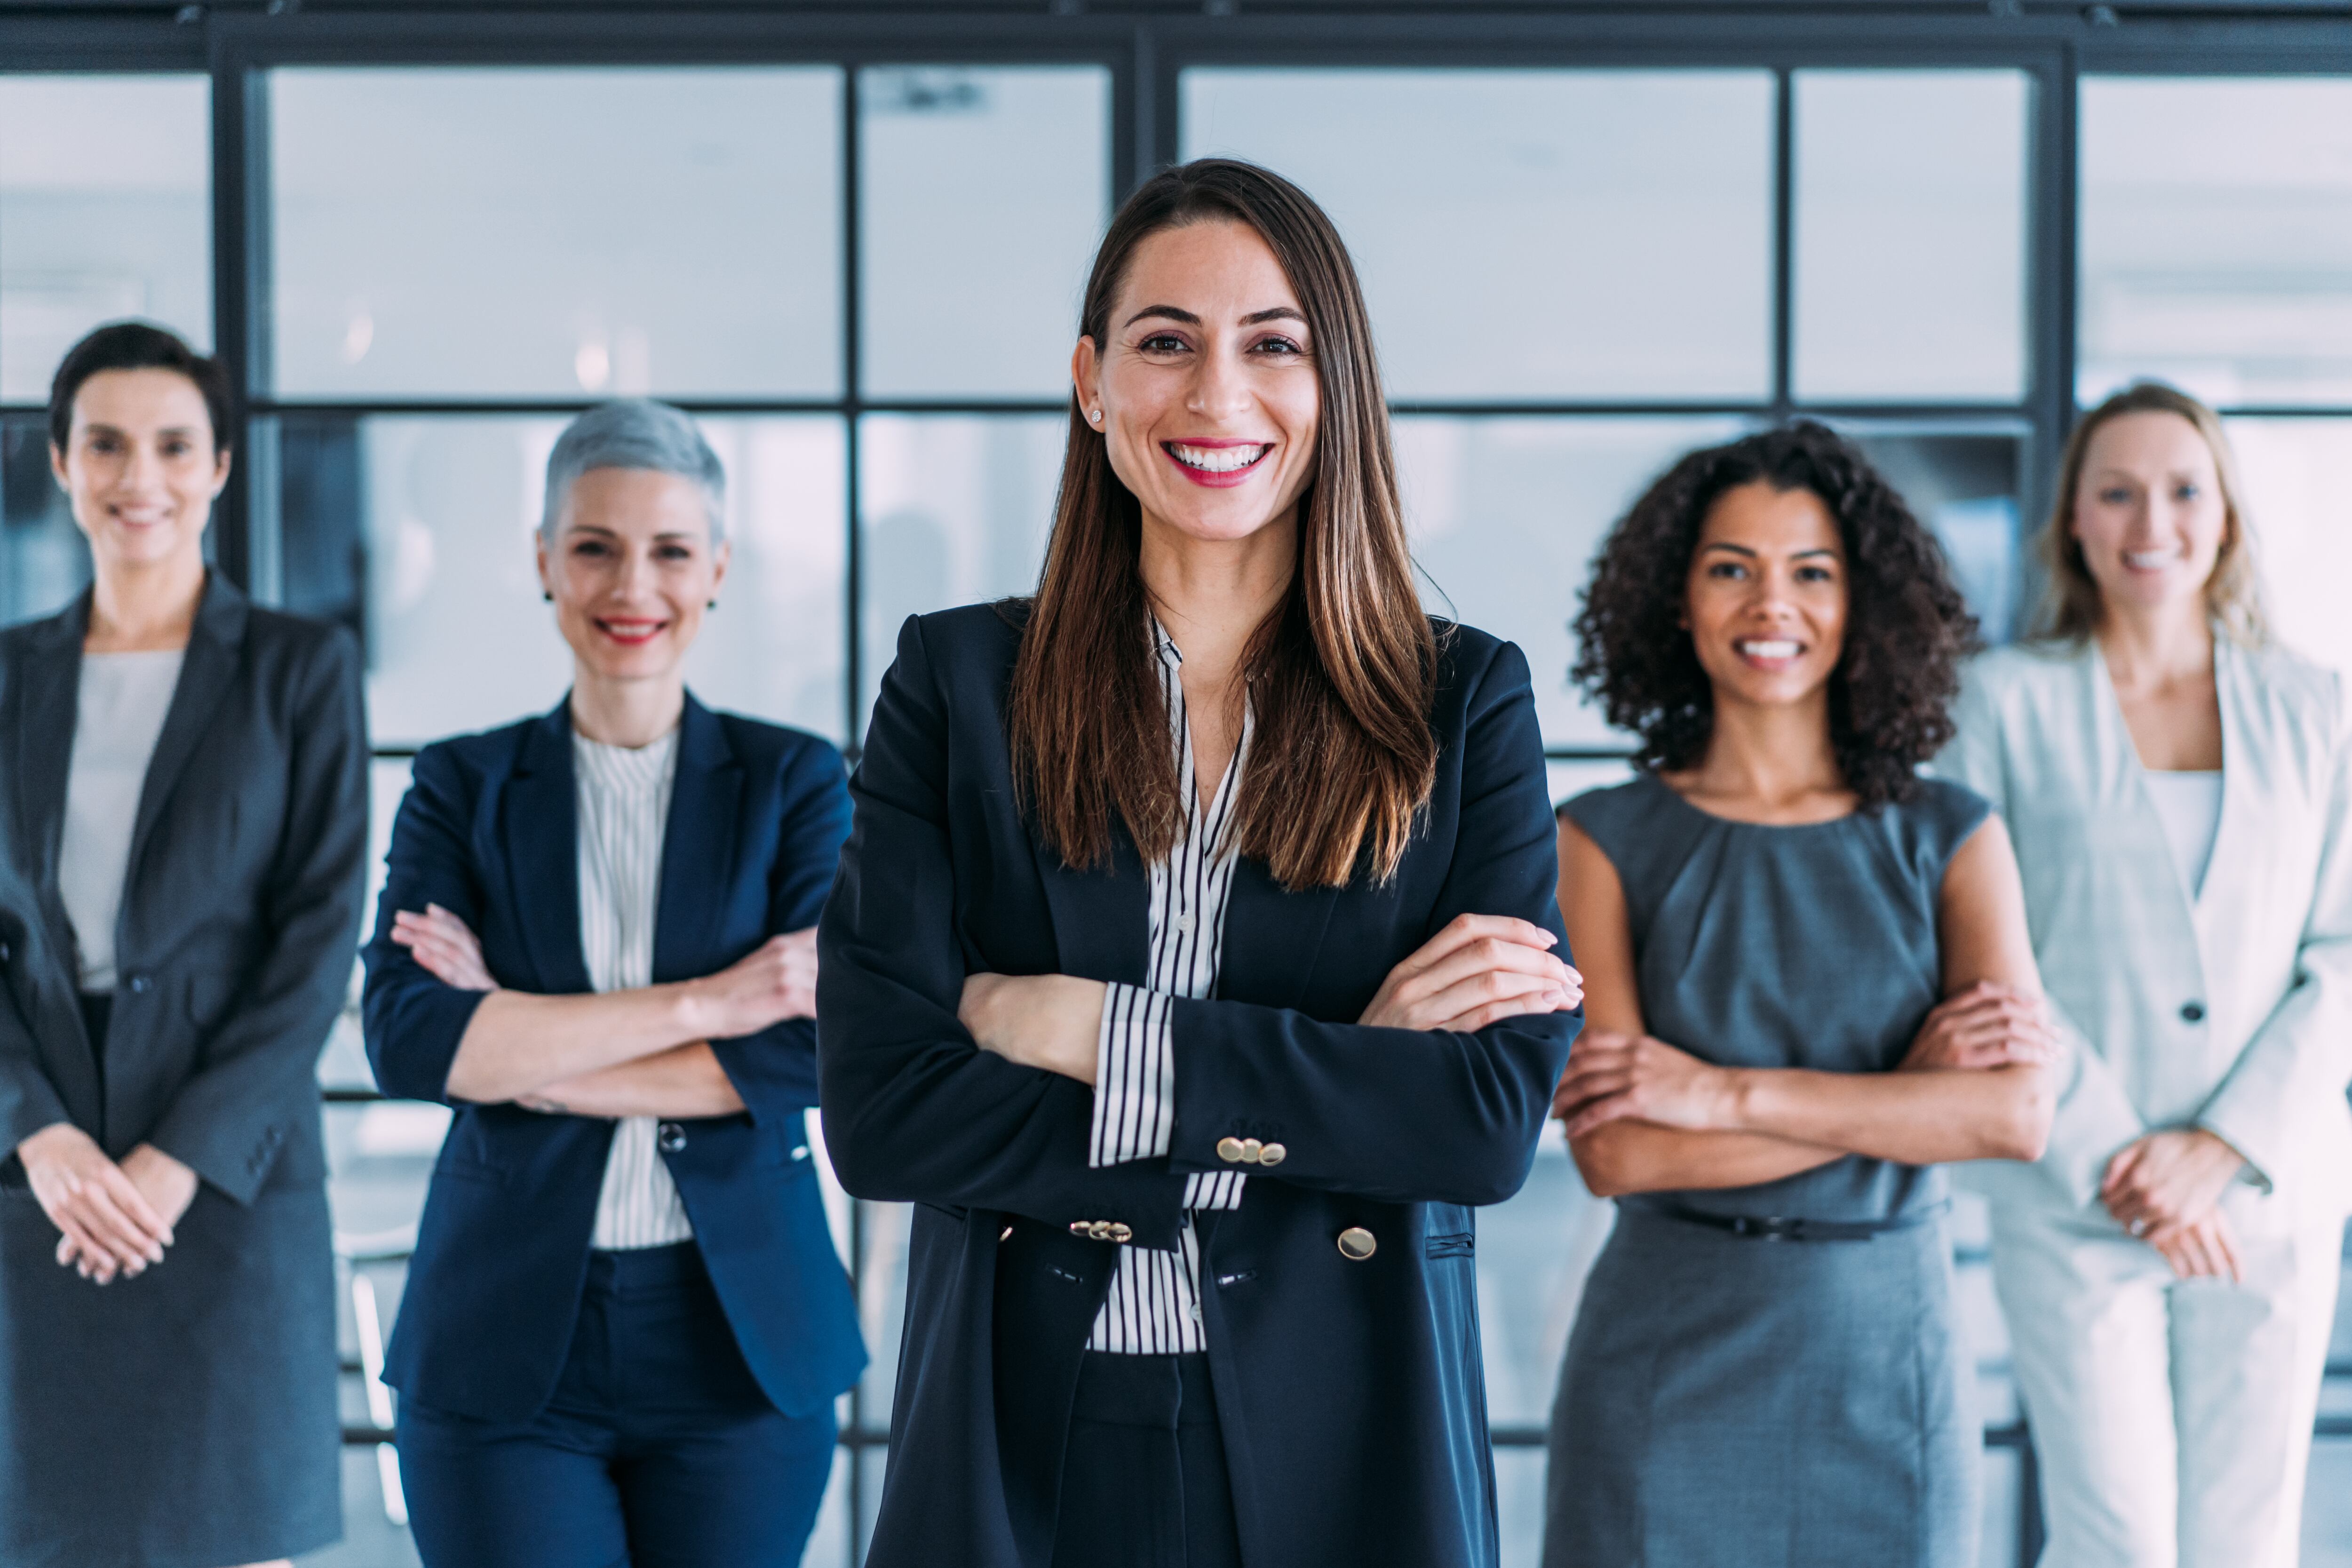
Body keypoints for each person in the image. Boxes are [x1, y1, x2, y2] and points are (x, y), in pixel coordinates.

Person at [817, 158, 1583, 1568]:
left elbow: (1477, 1126)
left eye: (1273, 344)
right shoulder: (958, 680)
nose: (1217, 397)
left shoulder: (1460, 700)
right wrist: (1343, 1071)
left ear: (1335, 384)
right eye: (1167, 340)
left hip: (1347, 1434)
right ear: (1092, 380)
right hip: (1018, 1428)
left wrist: (1085, 1028)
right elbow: (880, 1111)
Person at [1543, 422, 2058, 1568]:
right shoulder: (1600, 838)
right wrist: (1903, 1103)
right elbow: (1618, 1154)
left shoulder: (1952, 835)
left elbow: (2012, 1118)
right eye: (1731, 567)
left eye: (1811, 572)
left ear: (1859, 601)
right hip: (1666, 1353)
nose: (1770, 603)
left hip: (1888, 1362)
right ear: (1677, 600)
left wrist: (1718, 1095)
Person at [360, 399, 863, 1568]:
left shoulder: (797, 781)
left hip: (741, 1337)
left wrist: (533, 1059)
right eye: (594, 546)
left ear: (718, 568)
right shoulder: (461, 784)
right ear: (544, 560)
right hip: (503, 1338)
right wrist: (707, 1005)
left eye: (671, 550)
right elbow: (412, 1039)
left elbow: (815, 1053)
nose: (633, 584)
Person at [1932, 382, 2352, 1568]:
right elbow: (1982, 956)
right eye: (2114, 490)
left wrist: (2217, 1149)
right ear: (2072, 518)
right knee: (2114, 1538)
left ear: (2224, 516)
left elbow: (2344, 952)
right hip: (2080, 1188)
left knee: (2244, 1539)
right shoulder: (2001, 702)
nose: (2147, 520)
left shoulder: (2313, 705)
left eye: (2180, 489)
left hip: (2262, 1194)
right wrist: (2127, 1157)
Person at [0, 321, 367, 1568]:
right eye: (104, 442)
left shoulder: (300, 667)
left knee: (232, 1539)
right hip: (39, 1173)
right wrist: (35, 1130)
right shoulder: (5, 676)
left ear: (218, 467)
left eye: (172, 444)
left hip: (227, 1179)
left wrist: (177, 1159)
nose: (137, 476)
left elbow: (318, 942)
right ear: (60, 462)